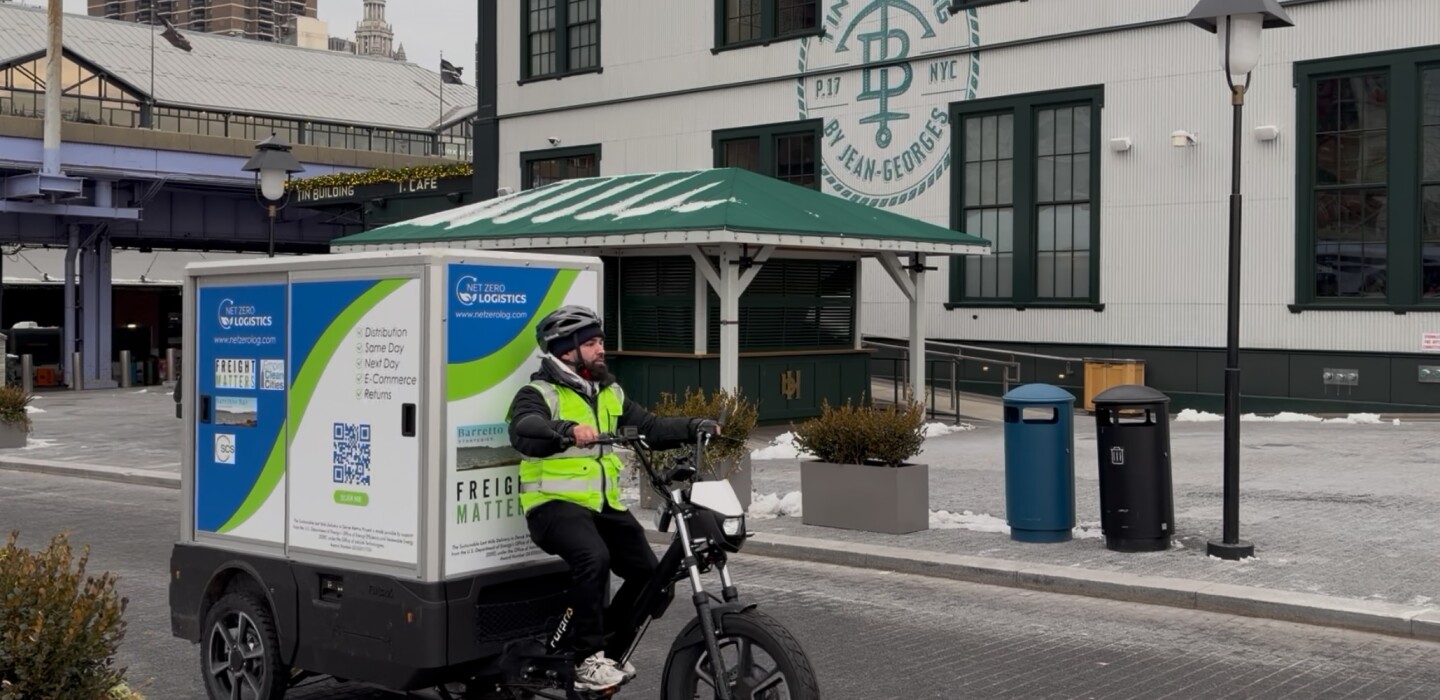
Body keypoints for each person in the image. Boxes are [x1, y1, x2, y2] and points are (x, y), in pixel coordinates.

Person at [506, 305, 720, 692]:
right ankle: (586, 659)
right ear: (565, 350)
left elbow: (651, 428)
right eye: (591, 343)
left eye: (601, 341)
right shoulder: (539, 393)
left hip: (602, 506)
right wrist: (566, 430)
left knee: (651, 575)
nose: (601, 349)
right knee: (594, 558)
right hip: (553, 506)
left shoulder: (608, 393)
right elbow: (523, 429)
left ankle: (604, 647)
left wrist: (693, 426)